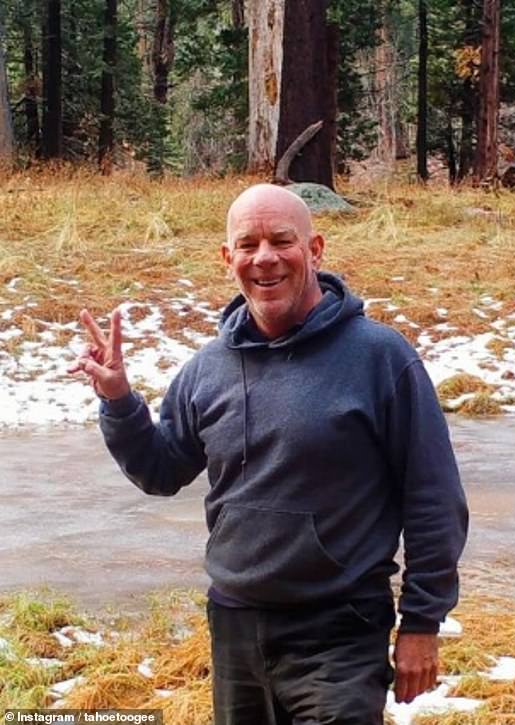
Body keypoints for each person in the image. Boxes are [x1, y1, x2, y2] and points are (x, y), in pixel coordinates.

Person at [70, 183, 468, 725]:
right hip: (236, 626)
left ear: (316, 249)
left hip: (340, 629)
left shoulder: (379, 357)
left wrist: (422, 623)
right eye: (248, 243)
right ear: (227, 257)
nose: (265, 258)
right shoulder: (207, 368)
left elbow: (433, 498)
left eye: (282, 240)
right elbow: (160, 472)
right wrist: (118, 399)